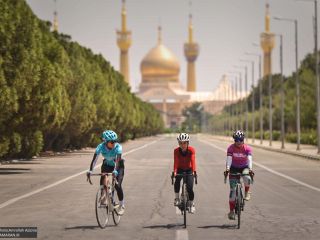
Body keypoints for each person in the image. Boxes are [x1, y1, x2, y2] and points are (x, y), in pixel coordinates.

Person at [87, 130, 125, 215]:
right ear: (106, 142)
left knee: (117, 186)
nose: (114, 143)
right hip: (107, 164)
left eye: (115, 141)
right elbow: (94, 160)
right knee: (103, 177)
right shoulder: (100, 147)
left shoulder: (118, 147)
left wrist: (115, 170)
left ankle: (122, 205)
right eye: (112, 142)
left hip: (118, 166)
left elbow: (118, 161)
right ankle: (104, 194)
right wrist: (90, 171)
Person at [224, 130, 254, 220]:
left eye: (240, 140)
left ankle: (247, 191)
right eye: (237, 140)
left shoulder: (247, 149)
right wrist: (228, 168)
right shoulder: (230, 148)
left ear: (243, 140)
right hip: (233, 168)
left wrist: (250, 169)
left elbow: (249, 159)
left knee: (246, 176)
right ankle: (231, 211)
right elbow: (229, 159)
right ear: (234, 140)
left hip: (244, 167)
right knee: (233, 192)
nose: (239, 142)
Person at [172, 133, 197, 214]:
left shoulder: (191, 150)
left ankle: (191, 204)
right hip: (180, 169)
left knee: (190, 188)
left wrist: (194, 171)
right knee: (177, 181)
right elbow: (175, 162)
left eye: (184, 143)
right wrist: (175, 172)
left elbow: (193, 161)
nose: (182, 145)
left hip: (189, 169)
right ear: (178, 143)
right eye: (180, 143)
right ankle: (177, 198)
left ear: (188, 143)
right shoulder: (176, 151)